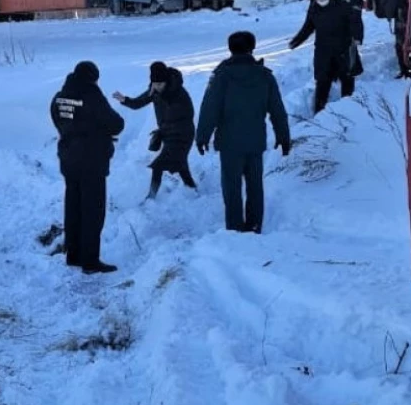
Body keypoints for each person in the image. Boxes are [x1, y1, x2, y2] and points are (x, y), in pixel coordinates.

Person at [196, 31, 291, 234]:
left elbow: (210, 108)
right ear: (252, 48)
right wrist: (283, 136)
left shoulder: (222, 76)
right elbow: (277, 109)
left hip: (229, 142)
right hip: (255, 140)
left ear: (230, 49)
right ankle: (255, 225)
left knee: (231, 187)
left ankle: (235, 228)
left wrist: (202, 135)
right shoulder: (265, 76)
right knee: (255, 186)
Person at [49, 60, 125, 274]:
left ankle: (73, 255)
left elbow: (56, 118)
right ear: (92, 78)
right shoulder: (91, 95)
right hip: (92, 160)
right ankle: (90, 260)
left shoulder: (60, 96)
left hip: (68, 158)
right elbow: (115, 124)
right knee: (93, 210)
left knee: (73, 207)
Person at [113, 61, 197, 201]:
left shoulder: (179, 94)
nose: (157, 87)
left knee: (158, 165)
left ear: (166, 81)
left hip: (183, 135)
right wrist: (124, 99)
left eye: (160, 84)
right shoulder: (154, 91)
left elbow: (187, 116)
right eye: (154, 84)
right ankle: (192, 189)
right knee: (181, 164)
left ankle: (151, 198)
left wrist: (164, 129)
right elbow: (137, 103)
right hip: (169, 135)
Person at [289, 0, 360, 113]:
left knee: (347, 80)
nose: (320, 0)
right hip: (324, 52)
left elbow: (354, 22)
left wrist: (357, 38)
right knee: (322, 82)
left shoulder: (342, 5)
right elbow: (308, 27)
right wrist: (296, 41)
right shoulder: (314, 8)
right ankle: (319, 112)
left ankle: (349, 110)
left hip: (343, 50)